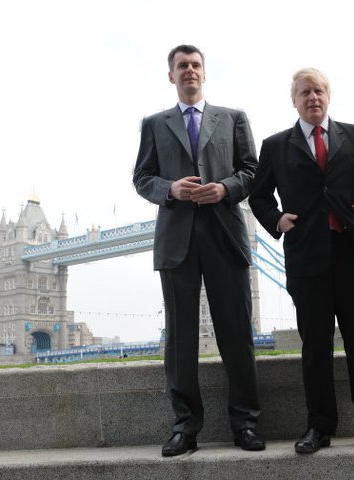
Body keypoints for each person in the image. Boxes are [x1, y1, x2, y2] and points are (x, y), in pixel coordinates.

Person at [249, 68, 354, 453]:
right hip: (306, 258)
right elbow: (259, 197)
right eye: (305, 93)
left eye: (318, 91)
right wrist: (277, 220)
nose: (312, 98)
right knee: (315, 345)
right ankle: (319, 428)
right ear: (294, 100)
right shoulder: (275, 145)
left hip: (352, 253)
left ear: (328, 96)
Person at [133, 44, 264, 457]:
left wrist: (225, 188)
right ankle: (186, 427)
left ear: (204, 74)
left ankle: (245, 423)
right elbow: (142, 178)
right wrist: (169, 190)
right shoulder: (154, 123)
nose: (189, 71)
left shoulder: (234, 118)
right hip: (177, 242)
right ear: (171, 76)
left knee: (236, 335)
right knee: (181, 339)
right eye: (181, 66)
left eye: (195, 65)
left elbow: (252, 171)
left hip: (225, 236)